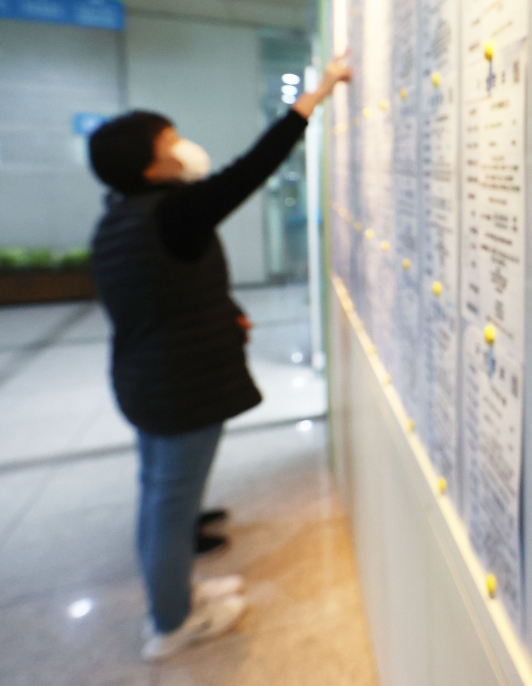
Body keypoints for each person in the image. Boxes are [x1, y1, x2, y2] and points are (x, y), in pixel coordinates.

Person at [87, 57, 350, 661]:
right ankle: (172, 623)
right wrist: (318, 95)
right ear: (150, 163)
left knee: (161, 492)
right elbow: (254, 168)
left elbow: (161, 294)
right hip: (178, 387)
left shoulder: (120, 217)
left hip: (146, 381)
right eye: (171, 140)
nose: (183, 148)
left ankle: (177, 591)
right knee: (170, 500)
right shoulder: (172, 212)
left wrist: (218, 312)